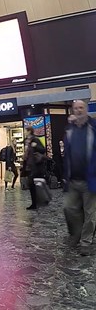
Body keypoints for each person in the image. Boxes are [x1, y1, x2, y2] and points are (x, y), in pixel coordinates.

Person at [62, 100, 96, 256]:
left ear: (86, 109)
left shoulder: (93, 127)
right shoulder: (70, 129)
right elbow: (67, 154)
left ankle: (86, 242)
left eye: (81, 107)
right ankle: (76, 234)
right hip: (73, 179)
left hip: (90, 180)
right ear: (73, 111)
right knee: (68, 208)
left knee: (90, 213)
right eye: (76, 108)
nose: (79, 110)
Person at [22, 125, 46, 210]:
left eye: (25, 130)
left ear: (29, 131)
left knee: (34, 185)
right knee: (31, 185)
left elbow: (43, 150)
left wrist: (35, 146)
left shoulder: (35, 140)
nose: (24, 132)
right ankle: (34, 203)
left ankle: (38, 202)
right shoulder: (26, 141)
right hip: (29, 166)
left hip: (35, 166)